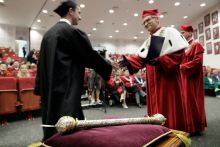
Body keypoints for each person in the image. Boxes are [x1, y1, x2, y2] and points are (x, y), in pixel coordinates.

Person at [33, 0, 116, 141]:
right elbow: (88, 55)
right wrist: (107, 63)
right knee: (66, 124)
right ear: (71, 11)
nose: (80, 17)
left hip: (50, 87)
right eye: (79, 12)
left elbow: (41, 64)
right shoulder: (71, 32)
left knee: (52, 120)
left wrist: (40, 87)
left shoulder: (48, 34)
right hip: (66, 87)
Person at [118, 9, 189, 131]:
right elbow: (142, 59)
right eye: (144, 22)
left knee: (168, 107)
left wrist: (161, 60)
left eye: (148, 20)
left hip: (166, 79)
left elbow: (179, 54)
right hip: (153, 81)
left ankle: (171, 133)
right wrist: (129, 61)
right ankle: (157, 133)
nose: (146, 24)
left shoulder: (169, 31)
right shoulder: (149, 40)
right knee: (155, 109)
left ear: (157, 18)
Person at [180, 25, 207, 132]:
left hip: (192, 77)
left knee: (192, 100)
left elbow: (198, 62)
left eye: (183, 33)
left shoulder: (196, 45)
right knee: (183, 100)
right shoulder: (182, 47)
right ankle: (186, 124)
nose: (180, 35)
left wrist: (182, 66)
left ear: (189, 33)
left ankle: (194, 126)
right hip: (182, 76)